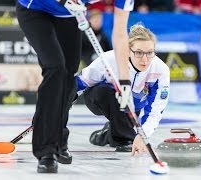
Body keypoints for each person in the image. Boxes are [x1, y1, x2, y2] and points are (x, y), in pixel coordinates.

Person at [16, 0, 134, 174]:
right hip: (35, 9)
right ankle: (46, 151)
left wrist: (124, 82)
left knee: (69, 76)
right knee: (55, 68)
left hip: (69, 16)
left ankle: (59, 137)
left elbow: (120, 34)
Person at [75, 23, 170, 154]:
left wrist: (143, 136)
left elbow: (155, 110)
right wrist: (57, 109)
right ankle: (125, 139)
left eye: (150, 53)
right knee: (106, 92)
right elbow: (79, 83)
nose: (145, 59)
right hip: (100, 98)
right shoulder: (109, 59)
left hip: (132, 108)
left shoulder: (161, 70)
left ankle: (105, 134)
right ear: (128, 50)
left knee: (122, 126)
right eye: (138, 53)